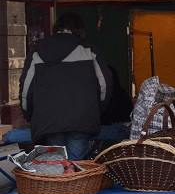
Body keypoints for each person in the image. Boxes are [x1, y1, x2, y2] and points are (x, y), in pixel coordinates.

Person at [19, 12, 112, 160]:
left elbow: (26, 91)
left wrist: (30, 115)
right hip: (82, 119)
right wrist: (95, 111)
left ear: (57, 28)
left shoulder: (37, 52)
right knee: (74, 165)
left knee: (56, 165)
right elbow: (105, 87)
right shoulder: (89, 51)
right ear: (80, 30)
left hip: (48, 119)